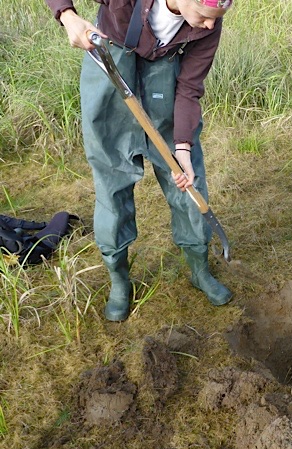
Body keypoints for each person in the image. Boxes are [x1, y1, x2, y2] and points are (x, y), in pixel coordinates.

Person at [45, 0, 235, 321]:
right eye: (205, 16)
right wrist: (68, 16)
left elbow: (189, 88)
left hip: (166, 86)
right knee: (112, 186)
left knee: (187, 182)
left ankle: (199, 269)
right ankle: (119, 280)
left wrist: (183, 148)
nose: (209, 25)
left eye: (216, 18)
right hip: (111, 74)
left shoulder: (208, 28)